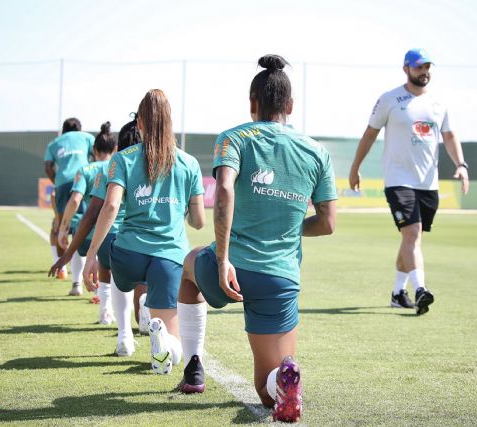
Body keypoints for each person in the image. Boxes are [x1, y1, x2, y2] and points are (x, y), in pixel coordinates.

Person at [176, 54, 337, 423]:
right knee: (267, 393)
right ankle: (282, 379)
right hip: (280, 276)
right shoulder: (316, 151)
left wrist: (221, 259)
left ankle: (193, 365)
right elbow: (328, 223)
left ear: (252, 103)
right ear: (290, 106)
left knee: (187, 268)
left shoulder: (234, 137)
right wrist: (284, 226)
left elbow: (226, 189)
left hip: (231, 266)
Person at [82, 89, 205, 367]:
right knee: (174, 345)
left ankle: (124, 332)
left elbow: (111, 207)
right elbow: (198, 221)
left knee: (120, 277)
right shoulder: (189, 163)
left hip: (127, 255)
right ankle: (160, 335)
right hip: (168, 256)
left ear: (139, 124)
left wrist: (91, 255)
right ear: (170, 122)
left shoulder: (122, 159)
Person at [348, 48, 469, 315]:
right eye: (418, 67)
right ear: (406, 69)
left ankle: (397, 292)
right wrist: (355, 167)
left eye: (427, 67)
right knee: (411, 234)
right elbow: (370, 134)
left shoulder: (439, 104)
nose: (424, 72)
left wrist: (461, 165)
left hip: (428, 183)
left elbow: (449, 137)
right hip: (398, 180)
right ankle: (420, 289)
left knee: (411, 240)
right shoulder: (390, 99)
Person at [50, 118, 146, 356]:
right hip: (142, 239)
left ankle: (109, 314)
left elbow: (90, 210)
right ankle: (145, 314)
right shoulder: (148, 168)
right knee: (141, 281)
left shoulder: (104, 168)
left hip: (105, 236)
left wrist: (66, 241)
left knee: (107, 271)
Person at [57, 122, 117, 319]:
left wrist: (64, 227)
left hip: (87, 227)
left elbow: (75, 200)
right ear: (114, 149)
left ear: (94, 150)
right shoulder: (119, 167)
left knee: (79, 251)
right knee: (110, 267)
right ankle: (108, 305)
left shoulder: (86, 169)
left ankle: (76, 284)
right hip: (113, 229)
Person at [44, 118, 95, 295]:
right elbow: (97, 155)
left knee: (62, 227)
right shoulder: (87, 137)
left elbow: (48, 166)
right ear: (80, 129)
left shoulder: (55, 143)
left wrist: (56, 180)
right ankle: (82, 282)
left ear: (63, 130)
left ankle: (68, 274)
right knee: (86, 229)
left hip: (62, 185)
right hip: (84, 182)